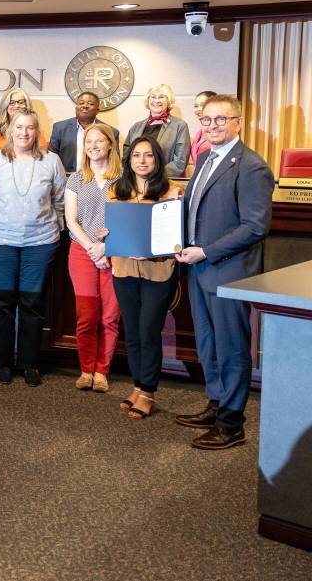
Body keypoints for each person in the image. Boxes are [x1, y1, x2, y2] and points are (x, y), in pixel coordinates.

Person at [175, 95, 274, 450]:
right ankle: (216, 404)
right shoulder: (204, 157)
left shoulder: (251, 166)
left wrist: (207, 251)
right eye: (207, 120)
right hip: (200, 270)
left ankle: (232, 423)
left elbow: (255, 226)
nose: (213, 125)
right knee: (208, 343)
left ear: (238, 122)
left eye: (221, 119)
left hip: (229, 272)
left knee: (231, 348)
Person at [0, 109, 65, 386]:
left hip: (39, 245)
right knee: (3, 303)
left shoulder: (52, 161)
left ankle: (29, 363)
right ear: (10, 130)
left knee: (32, 303)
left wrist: (55, 229)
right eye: (19, 127)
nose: (24, 133)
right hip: (0, 243)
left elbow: (61, 201)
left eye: (30, 128)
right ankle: (3, 362)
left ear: (37, 132)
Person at [107, 137, 185, 418]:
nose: (142, 160)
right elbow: (109, 228)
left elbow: (177, 240)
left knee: (149, 331)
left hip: (158, 272)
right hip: (124, 269)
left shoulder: (172, 192)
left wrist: (150, 252)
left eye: (148, 156)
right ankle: (138, 386)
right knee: (133, 332)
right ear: (129, 160)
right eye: (136, 155)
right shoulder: (117, 190)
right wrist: (107, 235)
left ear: (157, 160)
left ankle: (148, 392)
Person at [64, 124, 122, 392]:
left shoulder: (123, 178)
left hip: (114, 253)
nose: (94, 145)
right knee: (86, 315)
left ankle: (102, 371)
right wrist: (92, 247)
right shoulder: (76, 179)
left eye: (100, 141)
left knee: (110, 316)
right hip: (82, 253)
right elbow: (71, 220)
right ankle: (86, 369)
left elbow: (130, 217)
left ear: (110, 144)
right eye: (89, 141)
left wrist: (106, 247)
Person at [124, 84, 190, 177]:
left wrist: (156, 176)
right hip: (137, 181)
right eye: (153, 97)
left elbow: (180, 162)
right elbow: (127, 157)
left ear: (169, 101)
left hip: (166, 181)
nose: (157, 100)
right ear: (148, 100)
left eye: (161, 97)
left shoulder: (180, 126)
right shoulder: (136, 127)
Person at [47, 91, 120, 173]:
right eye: (81, 103)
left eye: (90, 104)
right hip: (65, 179)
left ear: (97, 110)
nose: (85, 106)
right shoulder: (60, 128)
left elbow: (114, 161)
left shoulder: (111, 132)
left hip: (99, 179)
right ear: (76, 108)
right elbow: (51, 158)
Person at [0, 88, 48, 170]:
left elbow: (43, 158)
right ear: (5, 106)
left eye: (21, 102)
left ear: (27, 105)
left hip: (28, 176)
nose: (17, 105)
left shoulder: (35, 129)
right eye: (12, 102)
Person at [188, 90, 217, 169]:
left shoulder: (218, 132)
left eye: (203, 105)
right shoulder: (199, 133)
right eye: (196, 106)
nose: (198, 109)